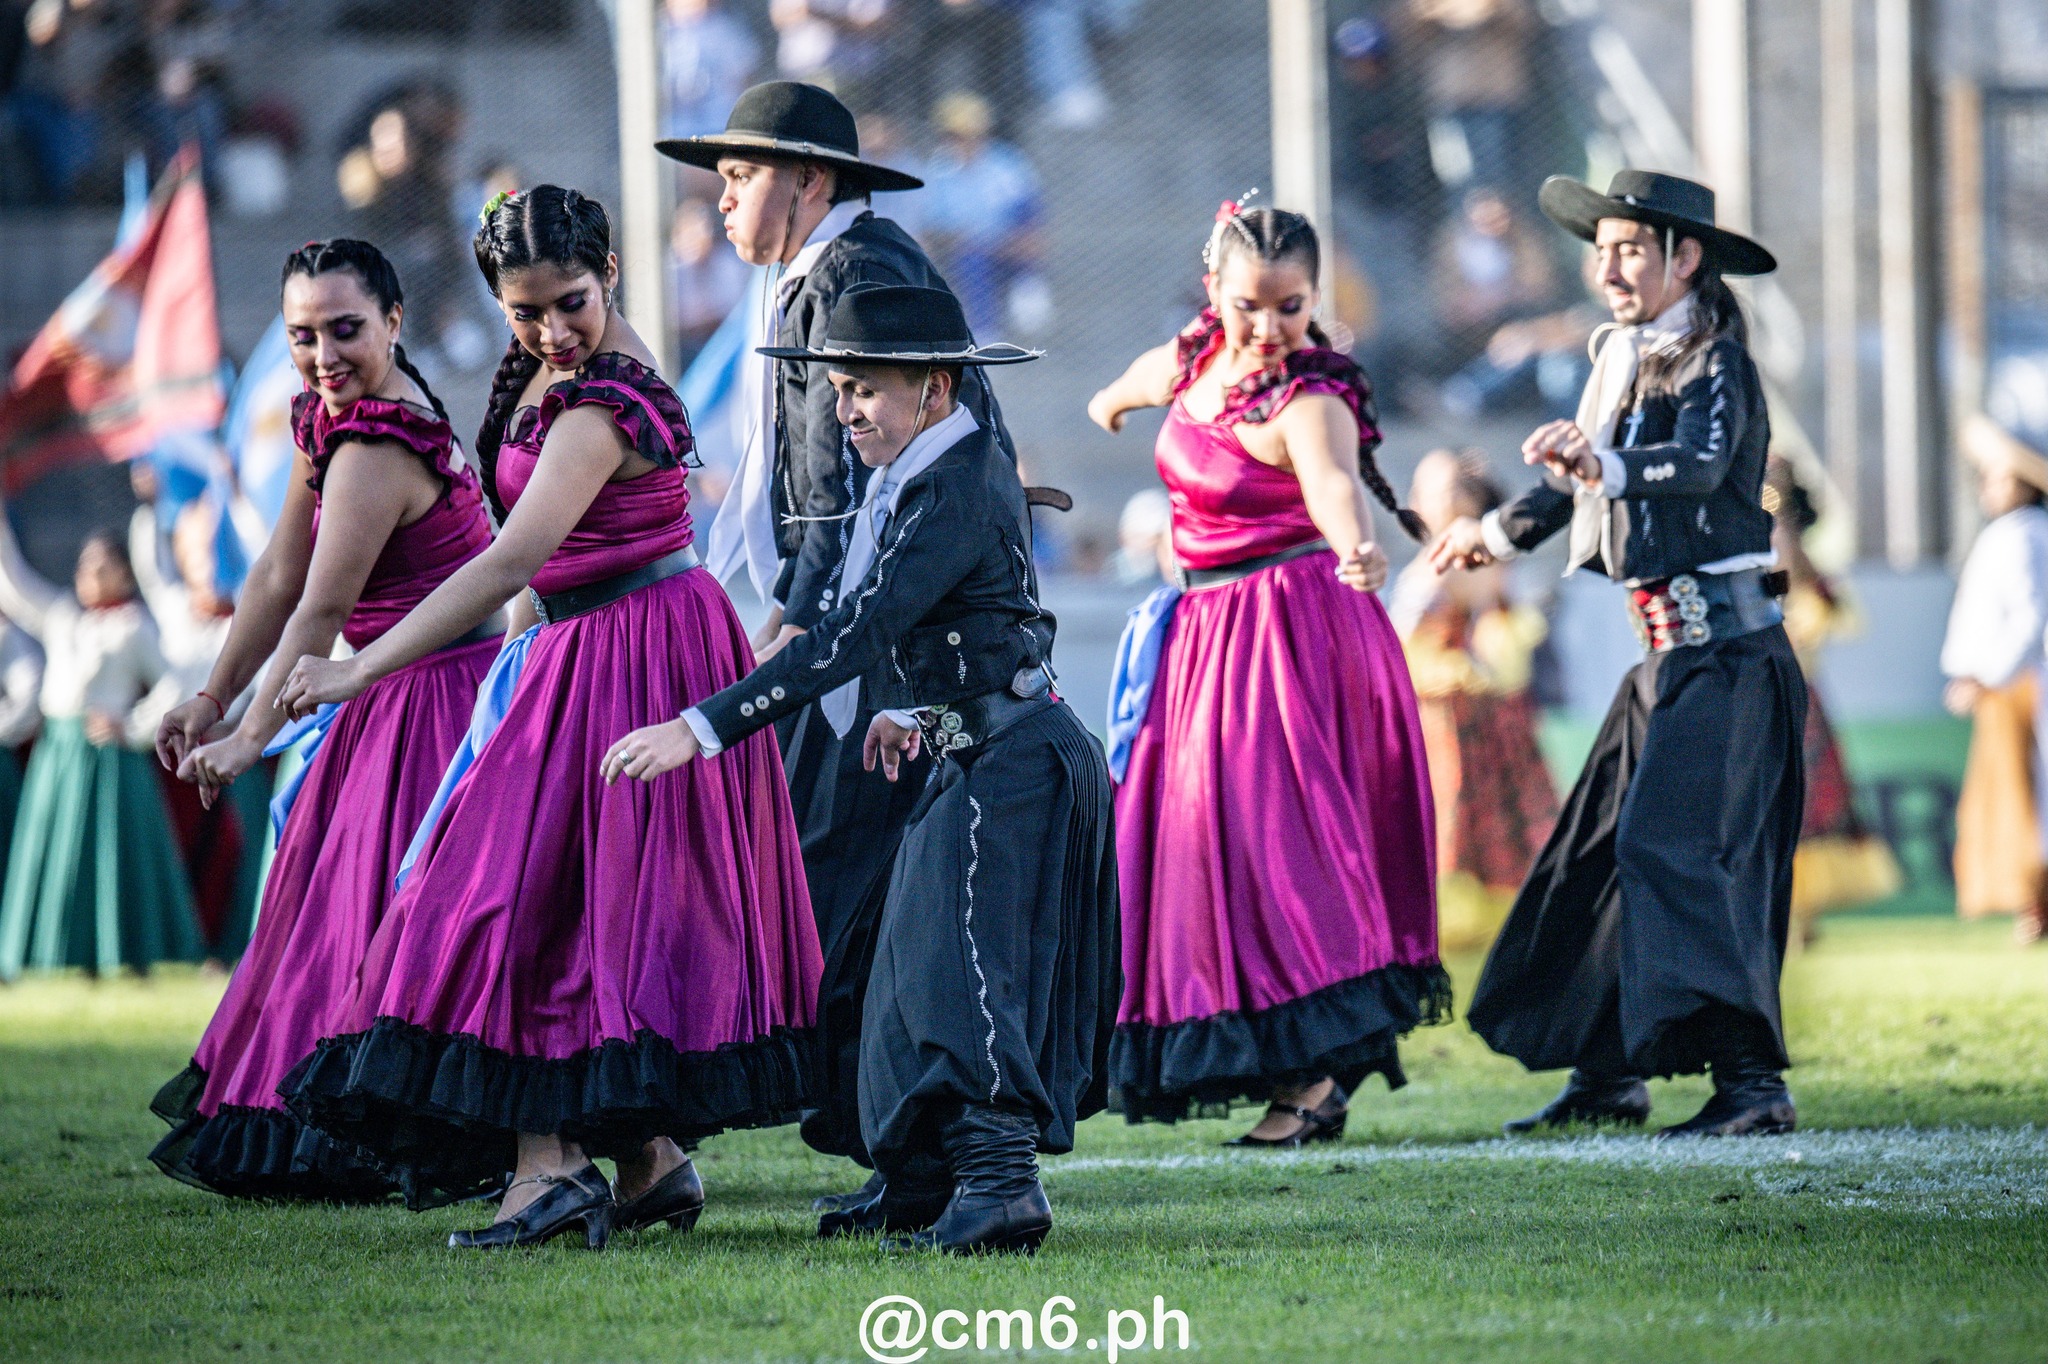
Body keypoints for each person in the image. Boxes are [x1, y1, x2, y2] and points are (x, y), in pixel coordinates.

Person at [274, 186, 820, 1249]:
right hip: (587, 649)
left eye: (569, 302)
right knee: (573, 906)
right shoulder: (550, 375)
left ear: (608, 272)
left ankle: (549, 1167)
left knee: (510, 902)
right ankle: (646, 1160)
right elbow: (539, 570)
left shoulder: (596, 400)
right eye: (524, 312)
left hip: (631, 651)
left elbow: (513, 558)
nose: (551, 329)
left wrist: (361, 668)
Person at [603, 282, 1118, 1256]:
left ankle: (1002, 1188)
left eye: (861, 389)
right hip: (976, 751)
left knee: (961, 975)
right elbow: (988, 618)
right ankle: (922, 1178)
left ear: (930, 386)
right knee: (894, 971)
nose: (842, 410)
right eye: (836, 389)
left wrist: (703, 727)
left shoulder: (957, 475)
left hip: (1013, 766)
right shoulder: (936, 467)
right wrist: (914, 710)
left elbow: (854, 627)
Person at [660, 80, 1017, 1202]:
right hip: (866, 648)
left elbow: (841, 494)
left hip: (889, 660)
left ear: (807, 181)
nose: (721, 201)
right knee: (848, 899)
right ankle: (898, 1150)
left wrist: (798, 621)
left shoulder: (858, 278)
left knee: (852, 898)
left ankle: (939, 1156)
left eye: (738, 175)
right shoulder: (818, 276)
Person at [1431, 170, 1804, 1138]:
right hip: (1667, 661)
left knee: (1668, 851)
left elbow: (1704, 464)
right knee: (1599, 853)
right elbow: (1573, 483)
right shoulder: (1624, 361)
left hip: (1726, 656)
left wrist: (1605, 465)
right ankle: (1606, 1074)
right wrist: (1493, 536)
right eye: (1600, 248)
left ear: (1686, 259)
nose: (1606, 264)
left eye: (1629, 246)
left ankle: (1751, 1082)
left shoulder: (1714, 360)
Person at [146, 239, 500, 1200]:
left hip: (432, 708)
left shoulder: (378, 444)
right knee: (339, 927)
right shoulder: (334, 421)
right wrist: (213, 695)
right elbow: (273, 576)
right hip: (390, 700)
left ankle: (402, 1134)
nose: (321, 356)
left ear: (394, 320)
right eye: (302, 336)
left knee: (389, 929)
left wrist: (247, 737)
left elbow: (319, 612)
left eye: (345, 330)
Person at [1089, 202, 1445, 1146]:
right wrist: (1112, 406)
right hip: (1203, 634)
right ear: (1215, 290)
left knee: (1282, 848)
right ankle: (1294, 1071)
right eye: (1252, 304)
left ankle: (1315, 1078)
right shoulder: (1194, 358)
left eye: (1292, 306)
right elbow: (1125, 388)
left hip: (1292, 634)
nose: (1271, 326)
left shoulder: (1311, 397)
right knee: (1210, 850)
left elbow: (1333, 487)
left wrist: (1361, 548)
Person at [0, 504, 195, 978]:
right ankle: (54, 956)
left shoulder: (134, 626)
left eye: (102, 568)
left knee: (112, 858)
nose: (90, 576)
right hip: (60, 754)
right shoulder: (67, 617)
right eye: (86, 567)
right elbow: (15, 586)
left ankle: (122, 954)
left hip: (109, 760)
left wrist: (131, 726)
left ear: (124, 575)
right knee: (58, 853)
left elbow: (176, 684)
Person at [1389, 448, 1558, 952]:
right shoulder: (1433, 559)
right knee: (1442, 817)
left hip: (1472, 713)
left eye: (1436, 490)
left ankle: (1490, 919)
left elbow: (1494, 637)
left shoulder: (1472, 559)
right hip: (1434, 710)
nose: (1421, 500)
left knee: (1483, 814)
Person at [1762, 454, 1902, 937]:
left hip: (1800, 704)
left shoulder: (1809, 576)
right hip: (1757, 698)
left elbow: (1833, 617)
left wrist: (1788, 539)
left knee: (1809, 806)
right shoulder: (1748, 565)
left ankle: (1801, 916)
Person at [1942, 415, 2048, 944]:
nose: (1989, 486)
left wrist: (1988, 675)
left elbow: (2031, 618)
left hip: (2021, 687)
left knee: (2025, 800)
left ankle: (2036, 904)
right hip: (2008, 685)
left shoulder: (2025, 535)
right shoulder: (2010, 534)